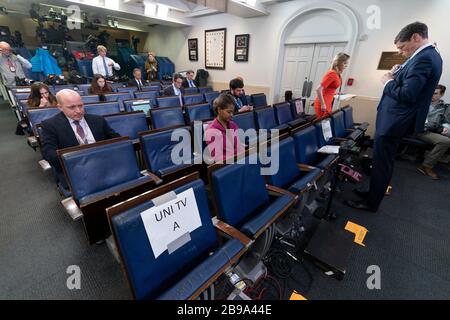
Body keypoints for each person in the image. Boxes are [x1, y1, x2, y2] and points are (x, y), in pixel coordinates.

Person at [346, 22, 442, 212]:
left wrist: (388, 81)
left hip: (395, 121)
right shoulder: (426, 56)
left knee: (382, 163)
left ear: (415, 37)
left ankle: (371, 203)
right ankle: (373, 193)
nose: (400, 52)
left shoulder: (424, 58)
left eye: (402, 47)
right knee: (382, 161)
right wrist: (397, 73)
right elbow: (411, 84)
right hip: (395, 119)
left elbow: (408, 94)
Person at [41, 89, 119, 188]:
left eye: (80, 105)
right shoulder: (50, 125)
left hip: (104, 164)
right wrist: (78, 154)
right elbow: (49, 155)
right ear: (60, 107)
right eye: (72, 107)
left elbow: (117, 140)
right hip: (75, 171)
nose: (78, 111)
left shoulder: (97, 120)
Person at [416, 85, 450, 179]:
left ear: (441, 94)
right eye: (431, 92)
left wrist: (445, 127)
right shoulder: (422, 103)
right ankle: (426, 166)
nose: (432, 95)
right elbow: (420, 120)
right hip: (421, 130)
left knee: (446, 137)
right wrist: (438, 128)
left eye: (435, 94)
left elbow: (447, 122)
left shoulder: (445, 108)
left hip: (435, 131)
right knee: (445, 141)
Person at [205, 93, 244, 162]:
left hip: (237, 160)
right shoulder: (211, 131)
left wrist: (243, 156)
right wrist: (237, 158)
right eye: (229, 112)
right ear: (219, 110)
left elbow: (239, 147)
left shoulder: (233, 125)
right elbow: (218, 158)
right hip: (225, 165)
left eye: (233, 112)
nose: (232, 115)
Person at [314, 53, 350, 118]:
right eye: (344, 63)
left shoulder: (336, 74)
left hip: (328, 102)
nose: (346, 66)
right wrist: (323, 104)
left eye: (346, 64)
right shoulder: (332, 73)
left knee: (325, 125)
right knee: (323, 126)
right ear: (338, 63)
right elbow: (318, 89)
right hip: (323, 103)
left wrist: (336, 93)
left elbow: (329, 89)